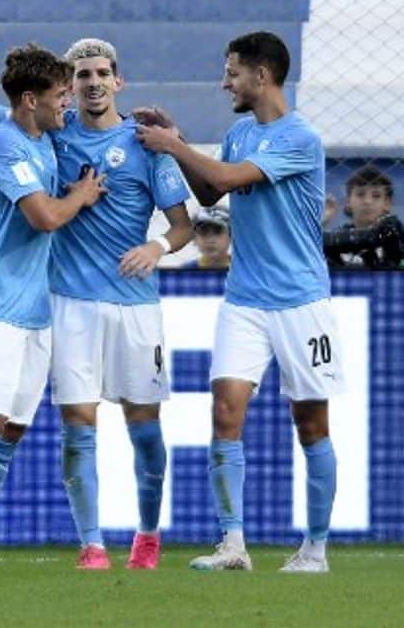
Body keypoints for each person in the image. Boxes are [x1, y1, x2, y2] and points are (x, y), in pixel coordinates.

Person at [0, 38, 193, 570]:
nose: (91, 83)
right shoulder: (49, 132)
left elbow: (184, 224)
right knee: (61, 424)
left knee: (129, 427)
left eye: (102, 72)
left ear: (118, 81)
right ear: (67, 90)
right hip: (57, 304)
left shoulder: (143, 140)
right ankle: (87, 545)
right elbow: (1, 120)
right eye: (80, 77)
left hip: (114, 306)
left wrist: (157, 246)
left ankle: (146, 538)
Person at [136, 31, 341, 573]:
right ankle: (233, 545)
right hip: (245, 298)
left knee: (311, 423)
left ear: (261, 75)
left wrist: (173, 145)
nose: (224, 82)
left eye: (232, 72)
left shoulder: (300, 137)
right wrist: (179, 141)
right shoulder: (239, 132)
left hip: (301, 302)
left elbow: (230, 176)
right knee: (225, 411)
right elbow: (212, 191)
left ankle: (315, 549)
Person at [0, 44, 107, 569]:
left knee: (12, 428)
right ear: (32, 100)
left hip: (34, 308)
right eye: (61, 95)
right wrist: (82, 194)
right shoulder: (4, 145)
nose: (68, 104)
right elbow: (45, 217)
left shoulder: (38, 130)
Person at [322, 165, 404, 268]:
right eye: (360, 194)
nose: (367, 201)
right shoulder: (337, 237)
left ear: (387, 203)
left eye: (376, 196)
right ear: (348, 202)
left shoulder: (396, 233)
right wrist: (321, 222)